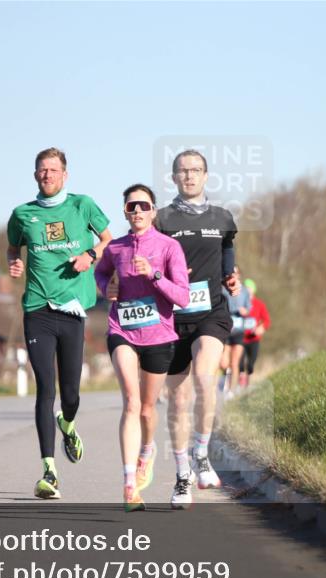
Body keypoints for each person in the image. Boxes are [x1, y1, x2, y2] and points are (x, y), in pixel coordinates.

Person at [8, 147, 113, 500]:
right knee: (46, 388)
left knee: (71, 394)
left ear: (65, 175)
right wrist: (15, 263)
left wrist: (89, 256)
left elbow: (109, 240)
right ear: (35, 174)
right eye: (41, 170)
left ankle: (68, 423)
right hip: (37, 310)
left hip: (72, 311)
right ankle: (49, 472)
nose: (47, 175)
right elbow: (13, 247)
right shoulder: (23, 214)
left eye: (53, 170)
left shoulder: (83, 206)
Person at [95, 184, 190, 511]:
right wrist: (106, 288)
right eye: (131, 206)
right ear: (125, 211)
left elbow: (183, 296)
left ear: (154, 211)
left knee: (148, 409)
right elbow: (101, 273)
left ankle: (147, 450)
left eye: (143, 206)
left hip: (159, 335)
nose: (137, 211)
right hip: (121, 328)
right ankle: (129, 485)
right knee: (131, 403)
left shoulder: (169, 247)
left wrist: (154, 276)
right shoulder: (115, 248)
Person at [155, 149, 240, 509]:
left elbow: (228, 250)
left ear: (206, 176)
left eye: (196, 170)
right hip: (171, 316)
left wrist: (230, 277)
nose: (189, 176)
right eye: (182, 171)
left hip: (210, 312)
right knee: (178, 400)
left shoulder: (222, 218)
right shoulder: (161, 219)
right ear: (173, 178)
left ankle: (202, 452)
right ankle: (181, 476)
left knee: (206, 378)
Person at [219, 266, 253, 398]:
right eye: (231, 272)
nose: (233, 275)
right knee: (223, 362)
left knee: (234, 362)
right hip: (226, 329)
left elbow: (248, 308)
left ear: (239, 275)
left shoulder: (244, 291)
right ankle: (224, 383)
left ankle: (231, 390)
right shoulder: (223, 288)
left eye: (236, 273)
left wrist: (245, 311)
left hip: (239, 329)